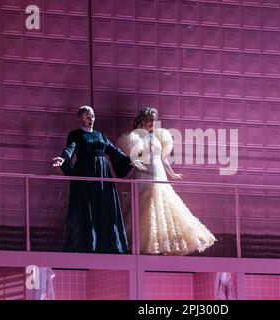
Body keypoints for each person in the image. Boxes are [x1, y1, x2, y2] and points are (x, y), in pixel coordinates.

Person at [118, 107, 216, 255]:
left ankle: (164, 243)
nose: (152, 122)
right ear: (143, 119)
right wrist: (144, 150)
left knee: (163, 204)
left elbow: (163, 158)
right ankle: (140, 243)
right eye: (150, 119)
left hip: (159, 173)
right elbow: (133, 158)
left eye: (154, 119)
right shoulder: (135, 136)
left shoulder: (159, 136)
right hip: (144, 173)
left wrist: (172, 174)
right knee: (144, 205)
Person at [52, 106, 146, 253]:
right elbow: (70, 148)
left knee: (105, 206)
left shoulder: (100, 134)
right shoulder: (75, 134)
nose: (91, 120)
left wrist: (129, 160)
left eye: (93, 117)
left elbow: (113, 150)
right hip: (85, 175)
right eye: (87, 117)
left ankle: (109, 245)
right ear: (80, 118)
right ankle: (89, 244)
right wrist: (63, 158)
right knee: (86, 208)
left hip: (103, 176)